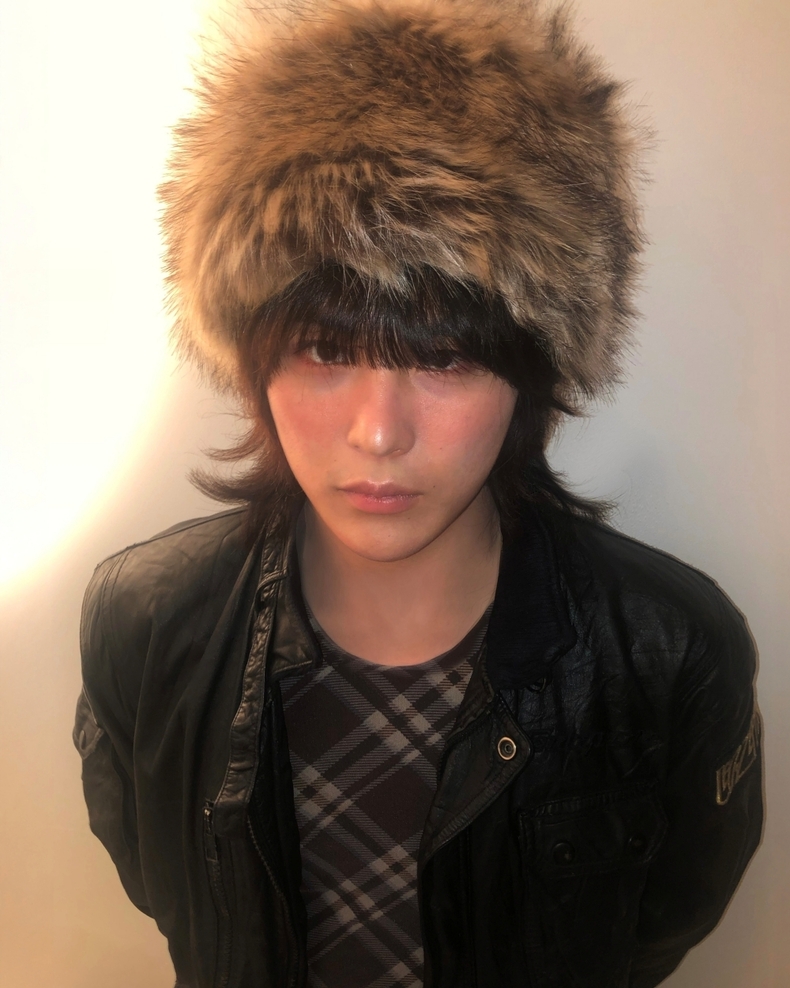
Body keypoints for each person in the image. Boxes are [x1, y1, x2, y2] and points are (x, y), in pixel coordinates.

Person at [73, 1, 763, 986]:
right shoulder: (143, 623)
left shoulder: (667, 651)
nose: (377, 432)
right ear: (254, 363)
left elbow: (661, 921)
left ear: (528, 375)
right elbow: (170, 890)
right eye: (325, 350)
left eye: (443, 358)